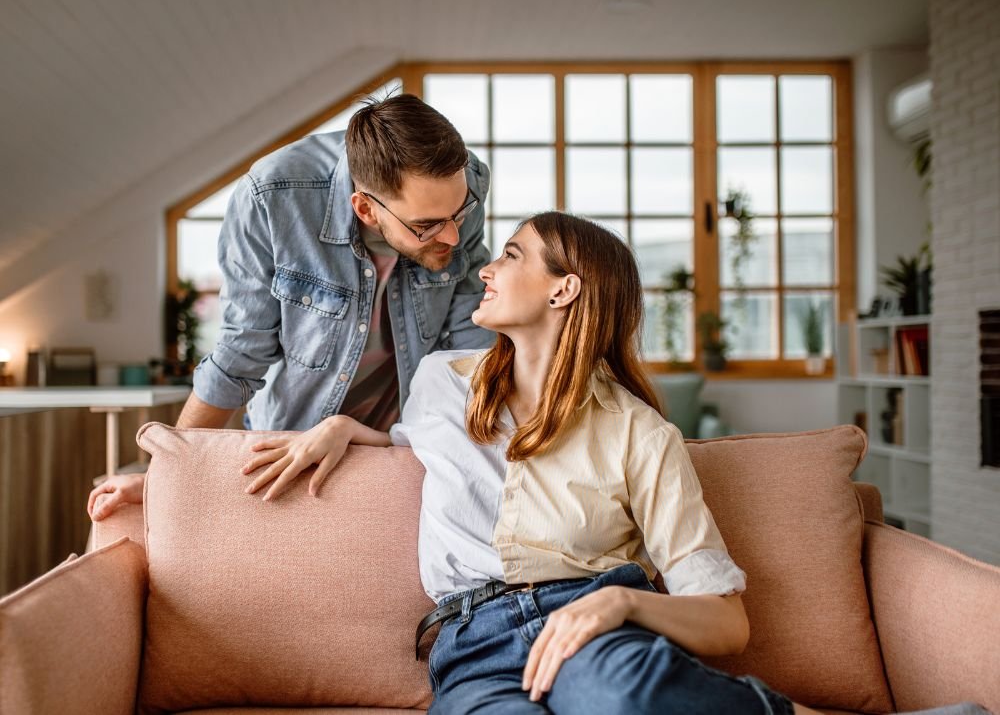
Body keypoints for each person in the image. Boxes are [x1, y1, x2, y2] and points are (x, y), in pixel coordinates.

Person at [238, 211, 815, 713]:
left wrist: (618, 601)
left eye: (511, 256)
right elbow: (418, 451)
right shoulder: (440, 381)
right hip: (473, 646)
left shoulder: (639, 431)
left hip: (592, 632)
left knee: (618, 700)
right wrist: (341, 428)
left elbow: (726, 622)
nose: (485, 270)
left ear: (562, 291)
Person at [88, 93, 494, 522]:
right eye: (427, 226)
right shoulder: (273, 197)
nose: (451, 237)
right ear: (366, 209)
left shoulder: (460, 183)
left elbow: (470, 357)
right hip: (290, 445)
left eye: (461, 213)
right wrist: (163, 478)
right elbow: (240, 357)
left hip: (404, 447)